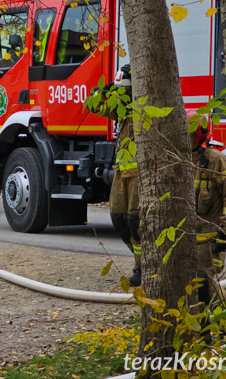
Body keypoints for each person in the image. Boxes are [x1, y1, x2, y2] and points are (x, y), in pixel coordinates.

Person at [90, 64, 141, 287]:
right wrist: (103, 92)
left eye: (125, 90)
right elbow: (94, 107)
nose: (123, 94)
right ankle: (143, 259)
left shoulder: (143, 108)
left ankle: (142, 266)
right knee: (117, 218)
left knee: (135, 221)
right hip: (121, 171)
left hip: (140, 174)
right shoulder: (122, 108)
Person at [191, 124, 226, 304]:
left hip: (209, 241)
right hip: (186, 239)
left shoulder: (217, 161)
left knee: (204, 284)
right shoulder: (180, 161)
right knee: (194, 290)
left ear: (197, 136)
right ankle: (203, 330)